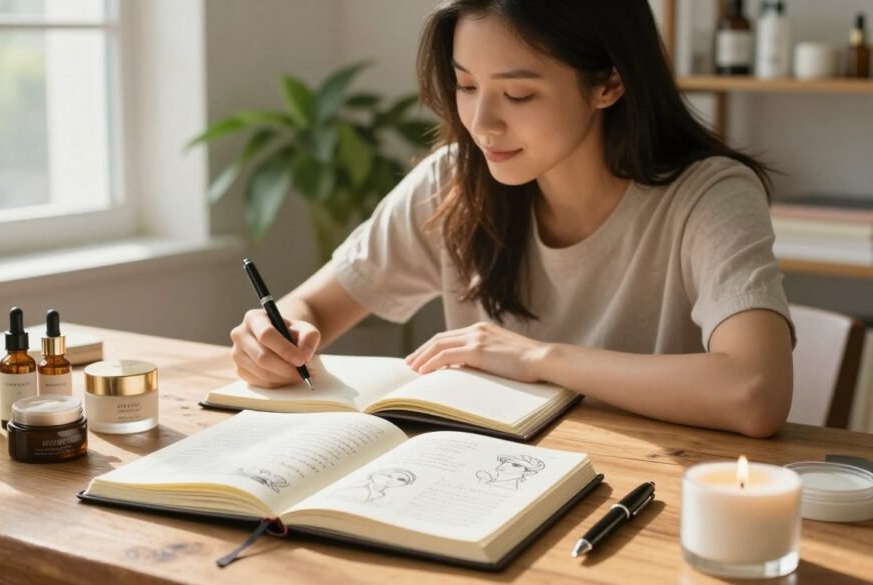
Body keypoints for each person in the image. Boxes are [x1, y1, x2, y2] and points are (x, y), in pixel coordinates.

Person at [230, 0, 794, 438]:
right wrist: (275, 341)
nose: (481, 123)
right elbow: (311, 308)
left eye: (518, 94)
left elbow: (755, 391)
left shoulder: (708, 196)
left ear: (609, 83)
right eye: (467, 85)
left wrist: (536, 358)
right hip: (486, 475)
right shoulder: (455, 181)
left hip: (642, 496)